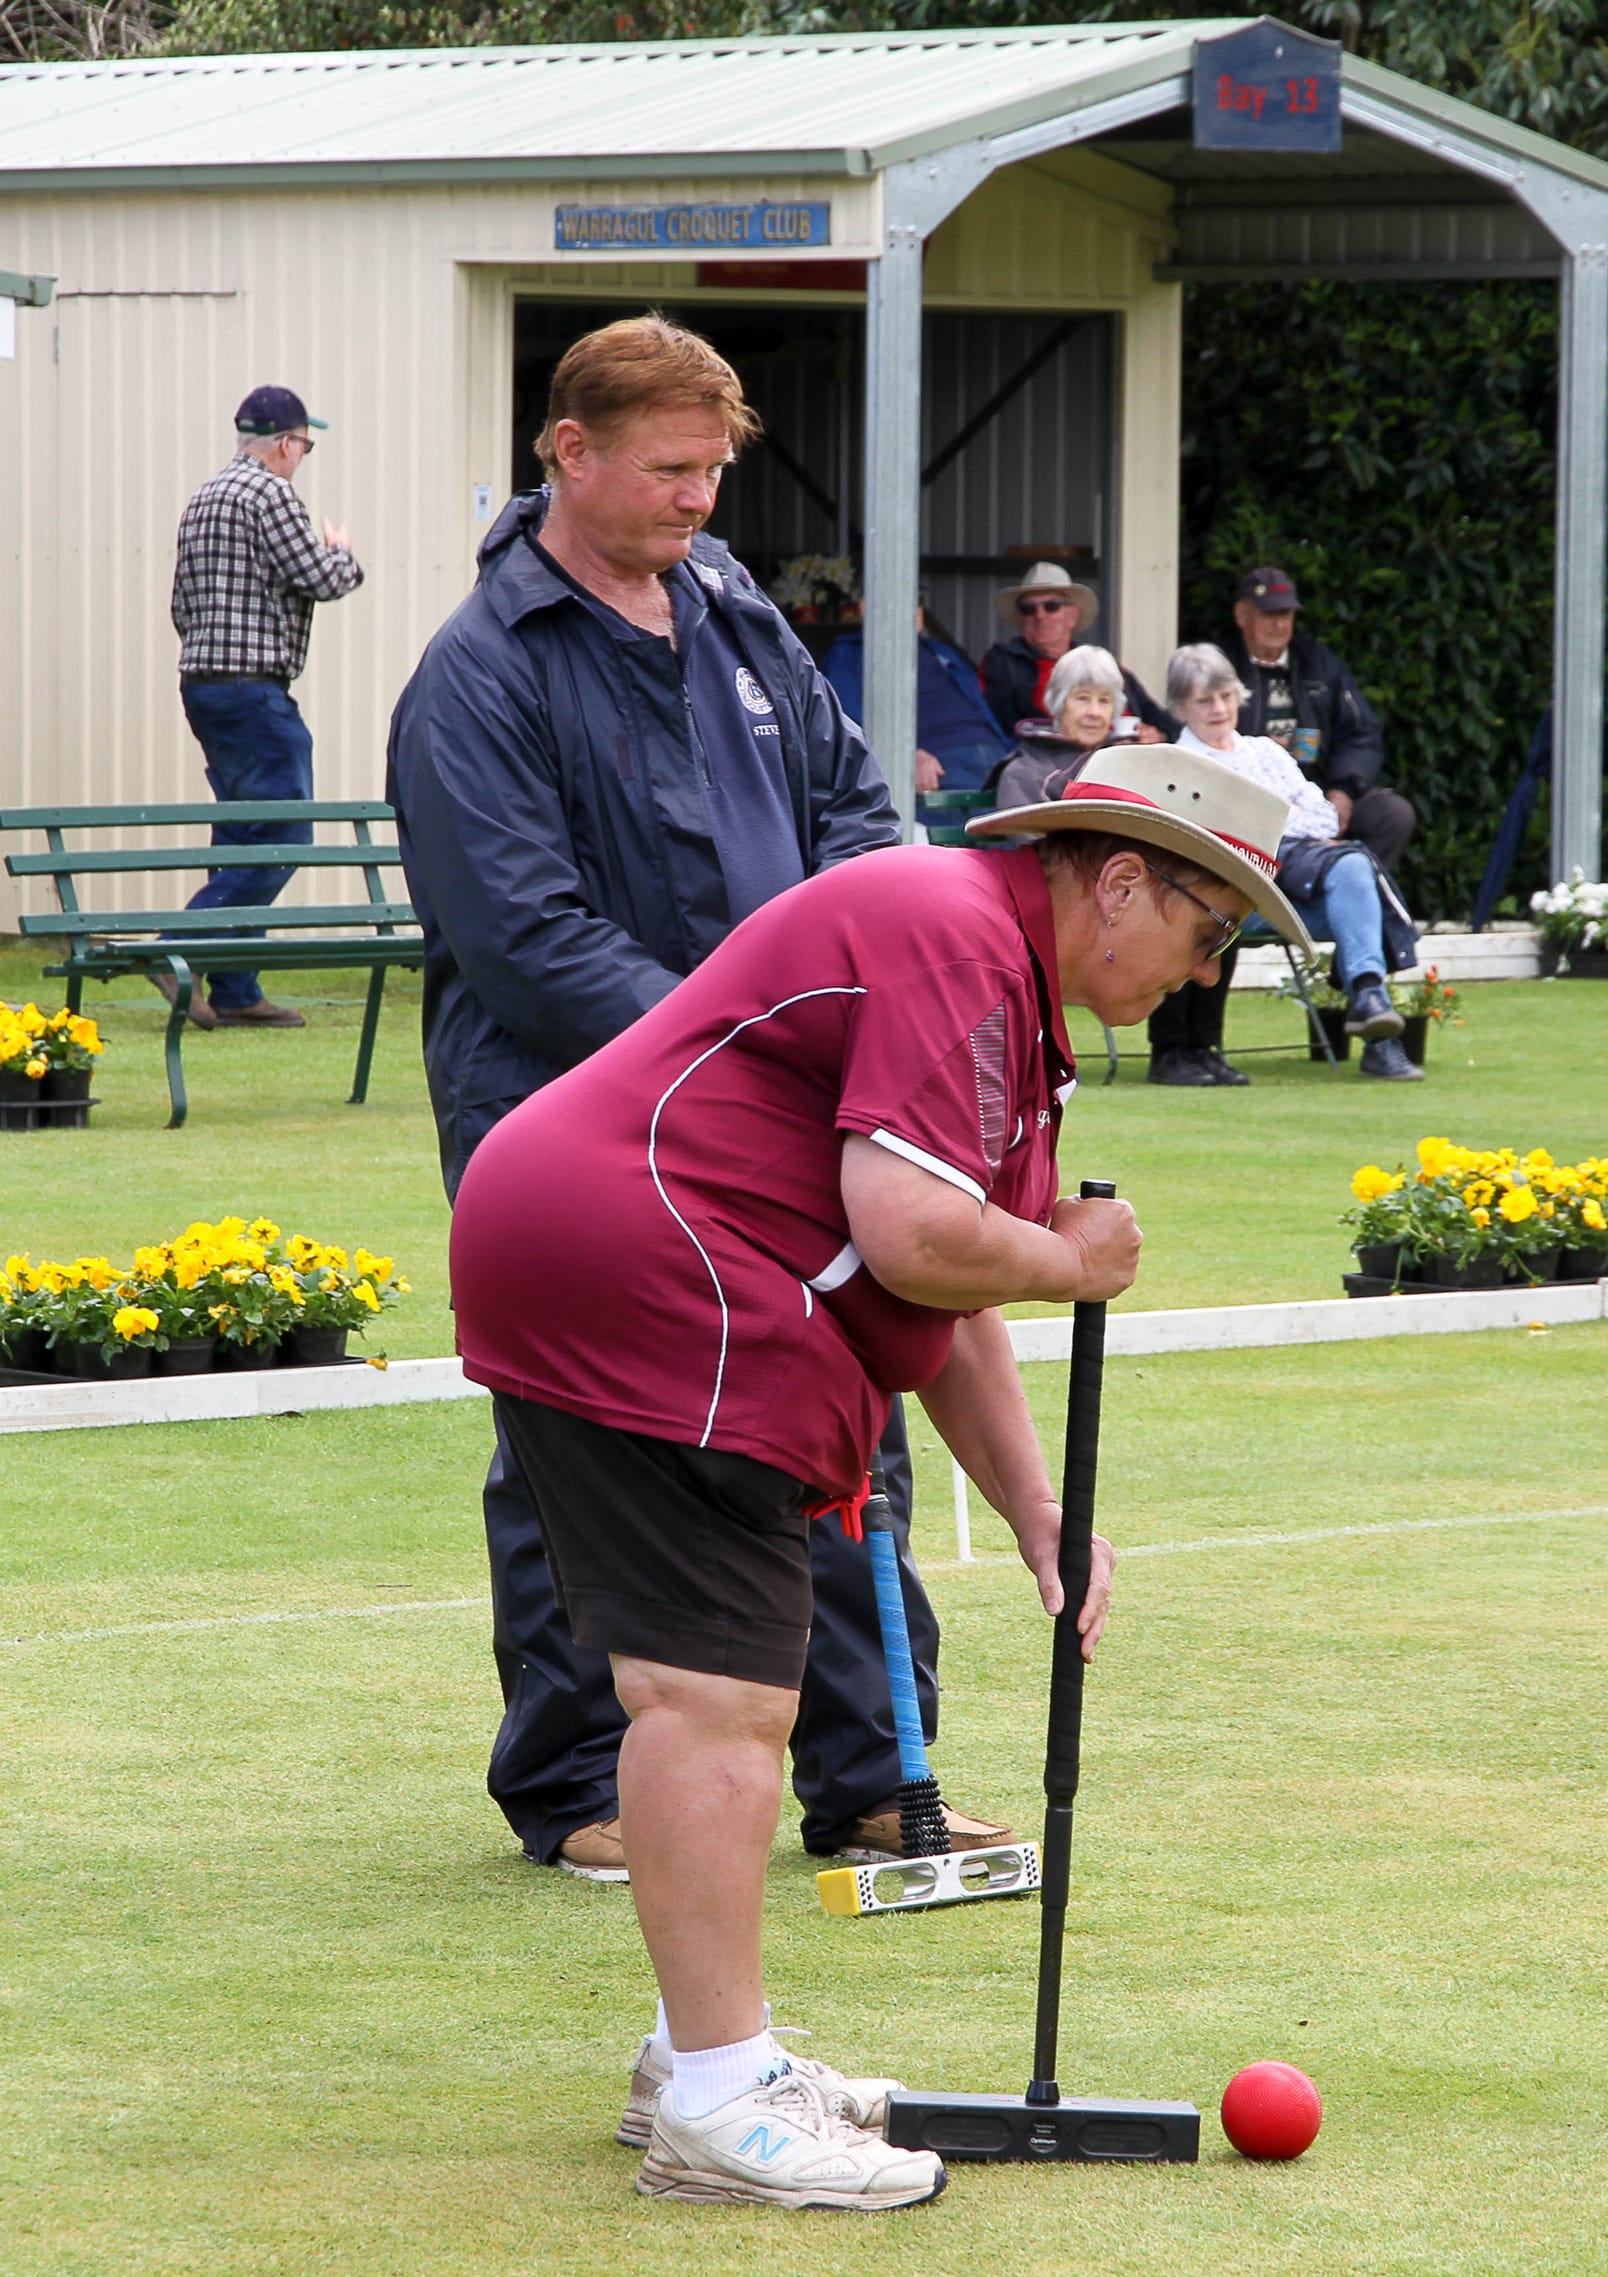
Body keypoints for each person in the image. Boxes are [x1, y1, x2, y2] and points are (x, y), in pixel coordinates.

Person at [447, 742, 1310, 2212]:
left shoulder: (1001, 984)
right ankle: (720, 2098)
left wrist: (1044, 1514)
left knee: (714, 1681)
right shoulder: (956, 938)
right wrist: (1074, 1260)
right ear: (1117, 882)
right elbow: (915, 1232)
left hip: (618, 1249)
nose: (1208, 968)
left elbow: (951, 1303)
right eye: (1210, 927)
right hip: (659, 1264)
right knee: (718, 1692)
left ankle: (697, 2056)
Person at [387, 315, 1009, 1889]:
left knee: (848, 1393)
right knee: (586, 1438)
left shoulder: (737, 615)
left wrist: (882, 1006)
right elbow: (524, 939)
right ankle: (580, 1777)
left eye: (714, 469)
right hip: (571, 1129)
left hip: (786, 1095)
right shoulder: (478, 675)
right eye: (667, 469)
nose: (698, 501)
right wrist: (761, 1045)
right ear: (569, 453)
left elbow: (857, 815)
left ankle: (876, 1772)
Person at [166, 384, 363, 1031]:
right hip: (255, 691)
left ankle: (234, 987)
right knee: (282, 832)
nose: (301, 457)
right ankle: (180, 951)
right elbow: (317, 577)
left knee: (241, 829)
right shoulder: (271, 493)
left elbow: (181, 607)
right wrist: (341, 552)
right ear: (284, 443)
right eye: (303, 445)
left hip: (203, 684)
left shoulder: (206, 495)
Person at [1169, 642, 1423, 1082]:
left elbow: (1326, 816)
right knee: (1353, 871)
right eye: (1203, 700)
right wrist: (1289, 818)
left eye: (1226, 696)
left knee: (1353, 867)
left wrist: (1273, 822)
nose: (1218, 708)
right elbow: (1221, 835)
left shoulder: (1264, 752)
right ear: (1180, 707)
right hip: (1233, 895)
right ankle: (1377, 1031)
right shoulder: (1182, 762)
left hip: (1294, 884)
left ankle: (1369, 998)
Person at [1219, 566, 1416, 875]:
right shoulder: (1221, 665)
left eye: (1286, 614)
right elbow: (1204, 733)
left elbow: (1360, 734)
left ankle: (1356, 897)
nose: (1279, 623)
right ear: (1242, 615)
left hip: (1318, 789)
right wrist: (1258, 750)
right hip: (1249, 799)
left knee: (1392, 814)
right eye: (1268, 614)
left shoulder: (1319, 662)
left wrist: (1342, 791)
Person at [821, 601, 1011, 794]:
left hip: (997, 753)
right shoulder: (849, 655)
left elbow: (984, 710)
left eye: (917, 606)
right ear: (865, 609)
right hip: (938, 759)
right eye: (902, 601)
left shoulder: (942, 653)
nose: (915, 613)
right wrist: (903, 755)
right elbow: (847, 726)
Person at [978, 561, 1172, 741]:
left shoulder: (1101, 663)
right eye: (1028, 609)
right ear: (1020, 618)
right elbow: (1002, 731)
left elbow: (1165, 723)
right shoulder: (1002, 663)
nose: (1040, 615)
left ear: (1073, 616)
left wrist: (1158, 736)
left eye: (1051, 606)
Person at [985, 645, 1136, 811]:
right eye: (1082, 698)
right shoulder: (1025, 774)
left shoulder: (1124, 767)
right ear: (1058, 703)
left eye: (1104, 701)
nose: (1095, 712)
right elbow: (1028, 837)